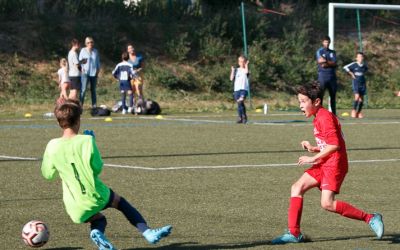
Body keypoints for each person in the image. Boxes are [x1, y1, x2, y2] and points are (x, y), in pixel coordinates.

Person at [41, 98, 172, 249]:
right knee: (120, 203)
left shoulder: (52, 145)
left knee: (98, 219)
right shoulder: (87, 141)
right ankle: (147, 232)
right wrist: (92, 143)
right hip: (95, 194)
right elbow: (97, 168)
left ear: (59, 122)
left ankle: (98, 237)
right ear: (78, 120)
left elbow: (48, 174)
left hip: (74, 206)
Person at [271, 82, 384, 244]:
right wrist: (314, 149)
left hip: (334, 164)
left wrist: (312, 158)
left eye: (303, 102)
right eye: (299, 102)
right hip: (325, 161)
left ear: (316, 102)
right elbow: (328, 144)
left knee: (327, 203)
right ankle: (294, 233)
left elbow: (335, 145)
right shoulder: (318, 117)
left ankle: (371, 218)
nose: (300, 106)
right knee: (297, 187)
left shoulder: (324, 117)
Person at [316, 36, 338, 115]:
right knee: (320, 96)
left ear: (330, 42)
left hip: (332, 77)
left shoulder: (333, 52)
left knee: (333, 97)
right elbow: (321, 63)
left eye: (328, 42)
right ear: (322, 42)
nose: (327, 43)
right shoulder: (319, 51)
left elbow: (335, 63)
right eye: (325, 42)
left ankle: (334, 115)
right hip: (322, 77)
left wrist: (326, 61)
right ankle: (320, 114)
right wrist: (330, 62)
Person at [343, 52, 368, 118]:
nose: (360, 58)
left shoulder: (364, 66)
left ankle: (358, 112)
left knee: (361, 100)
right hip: (356, 83)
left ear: (363, 58)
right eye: (358, 57)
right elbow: (345, 67)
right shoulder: (354, 64)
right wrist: (351, 74)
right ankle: (353, 111)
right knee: (357, 97)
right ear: (356, 58)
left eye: (361, 57)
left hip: (362, 83)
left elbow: (365, 71)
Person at [79, 37, 101, 108]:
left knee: (93, 90)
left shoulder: (95, 51)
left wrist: (98, 70)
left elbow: (97, 62)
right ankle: (80, 106)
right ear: (86, 43)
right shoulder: (83, 50)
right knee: (83, 90)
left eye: (91, 42)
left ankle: (94, 106)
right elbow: (80, 61)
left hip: (94, 73)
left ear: (93, 43)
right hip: (85, 73)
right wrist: (82, 68)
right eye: (88, 42)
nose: (90, 44)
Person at [230, 55, 249, 124]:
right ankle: (241, 117)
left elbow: (247, 73)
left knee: (241, 101)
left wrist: (246, 65)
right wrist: (232, 71)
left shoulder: (245, 70)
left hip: (243, 89)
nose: (241, 63)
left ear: (245, 62)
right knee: (239, 104)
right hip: (236, 90)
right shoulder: (236, 70)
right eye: (240, 61)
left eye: (243, 62)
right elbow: (231, 78)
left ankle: (243, 116)